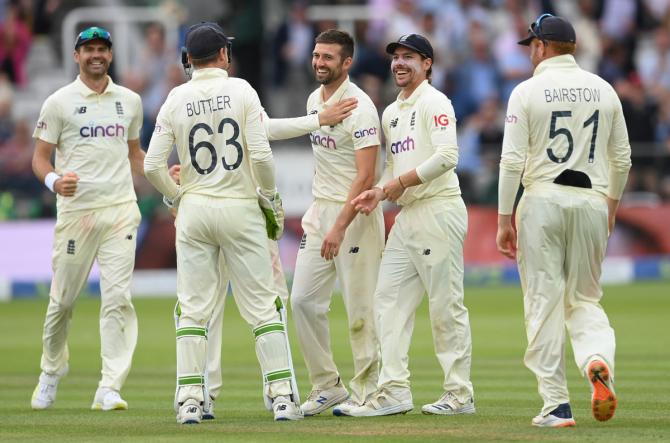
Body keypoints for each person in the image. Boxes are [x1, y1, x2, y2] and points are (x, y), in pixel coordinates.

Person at [143, 22, 303, 424]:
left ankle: (191, 401)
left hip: (195, 210)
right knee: (262, 307)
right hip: (239, 205)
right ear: (223, 55)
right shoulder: (242, 89)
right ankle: (283, 397)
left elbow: (151, 165)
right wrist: (270, 197)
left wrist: (178, 196)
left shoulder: (175, 97)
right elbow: (263, 157)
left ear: (189, 60)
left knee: (195, 310)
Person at [165, 97, 357, 420]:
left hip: (213, 216)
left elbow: (266, 129)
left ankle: (203, 395)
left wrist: (174, 188)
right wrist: (318, 119)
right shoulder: (235, 94)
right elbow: (269, 131)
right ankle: (273, 394)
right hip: (245, 216)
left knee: (207, 307)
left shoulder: (188, 100)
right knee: (256, 305)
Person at [496, 14, 630, 428]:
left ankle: (556, 405)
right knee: (584, 301)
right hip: (591, 201)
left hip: (542, 200)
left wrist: (504, 218)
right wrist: (609, 206)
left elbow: (512, 161)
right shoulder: (604, 89)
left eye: (531, 46)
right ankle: (595, 360)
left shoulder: (526, 91)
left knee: (543, 302)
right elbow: (622, 158)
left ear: (541, 47)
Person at [345, 34, 475, 417]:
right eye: (396, 57)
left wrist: (398, 185)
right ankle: (394, 390)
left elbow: (448, 155)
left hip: (438, 209)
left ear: (428, 64)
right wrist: (381, 192)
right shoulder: (391, 112)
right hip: (408, 217)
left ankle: (460, 394)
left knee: (445, 305)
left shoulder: (435, 101)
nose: (399, 64)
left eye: (409, 58)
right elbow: (393, 167)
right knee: (386, 301)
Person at [30, 26, 144, 412]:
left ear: (110, 55)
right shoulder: (58, 102)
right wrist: (54, 180)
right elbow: (39, 159)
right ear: (77, 56)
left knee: (117, 299)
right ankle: (51, 370)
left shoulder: (129, 101)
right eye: (89, 49)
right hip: (77, 214)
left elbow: (136, 155)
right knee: (62, 302)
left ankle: (109, 386)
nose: (96, 54)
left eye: (102, 49)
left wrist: (165, 177)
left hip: (120, 212)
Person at [287, 29, 385, 417]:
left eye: (328, 57)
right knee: (303, 301)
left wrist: (340, 225)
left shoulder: (360, 106)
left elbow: (365, 176)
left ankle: (369, 390)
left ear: (347, 63)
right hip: (320, 211)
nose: (319, 63)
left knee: (361, 309)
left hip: (355, 215)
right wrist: (326, 221)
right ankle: (327, 385)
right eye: (316, 55)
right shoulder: (315, 100)